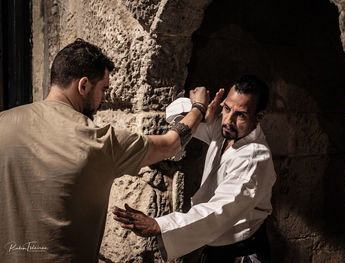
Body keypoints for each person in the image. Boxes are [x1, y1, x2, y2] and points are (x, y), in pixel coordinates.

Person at [0, 38, 210, 263]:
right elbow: (171, 144)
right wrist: (198, 107)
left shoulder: (3, 122)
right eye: (103, 89)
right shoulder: (101, 142)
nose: (104, 98)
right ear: (83, 85)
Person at [113, 75, 277, 263]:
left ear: (259, 117)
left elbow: (220, 209)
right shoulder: (222, 129)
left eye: (240, 115)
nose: (228, 120)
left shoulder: (254, 156)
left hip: (242, 254)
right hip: (215, 246)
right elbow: (173, 114)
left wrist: (159, 225)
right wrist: (202, 110)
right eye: (227, 108)